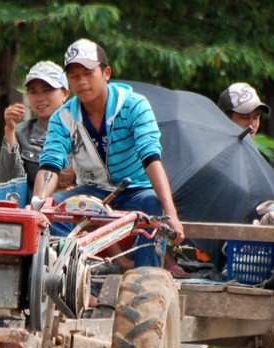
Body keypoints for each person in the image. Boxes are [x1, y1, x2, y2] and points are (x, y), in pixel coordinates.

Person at [32, 38, 184, 268]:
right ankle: (71, 283)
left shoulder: (134, 105)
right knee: (52, 211)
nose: (81, 82)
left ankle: (145, 278)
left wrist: (170, 212)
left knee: (154, 206)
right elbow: (50, 164)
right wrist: (39, 204)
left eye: (88, 73)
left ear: (106, 73)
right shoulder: (62, 118)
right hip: (91, 193)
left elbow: (151, 157)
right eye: (74, 76)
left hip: (135, 191)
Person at [0, 61, 74, 198]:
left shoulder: (84, 129)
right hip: (36, 212)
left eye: (47, 90)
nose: (40, 98)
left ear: (65, 94)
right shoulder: (21, 134)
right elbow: (10, 184)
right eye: (33, 92)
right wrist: (9, 130)